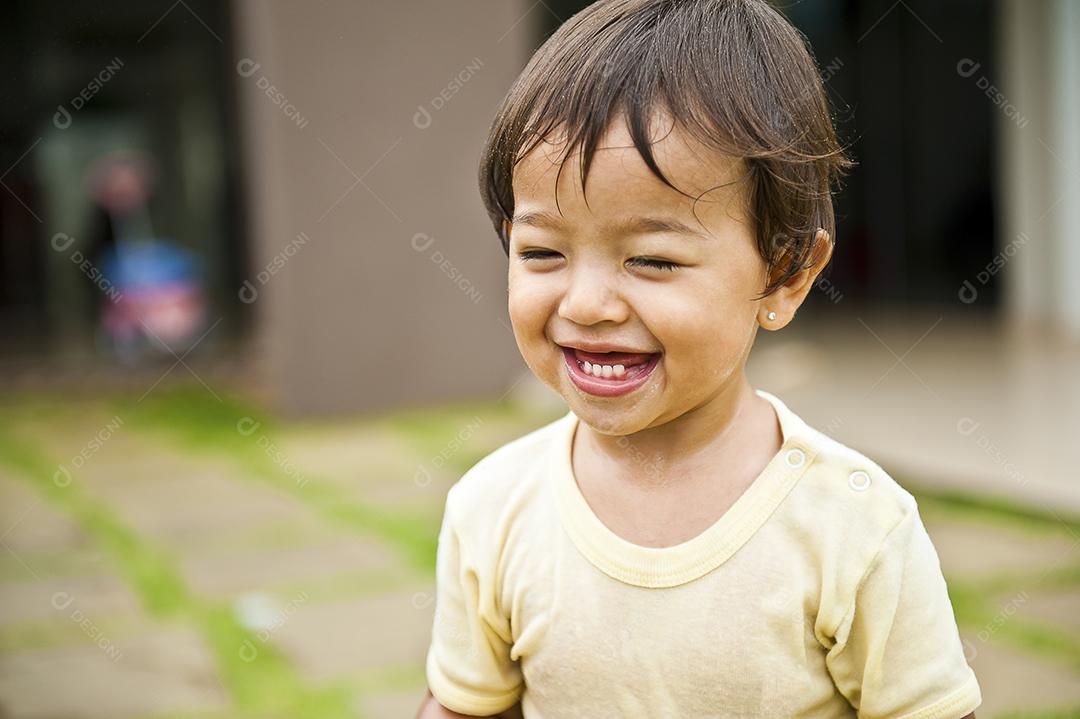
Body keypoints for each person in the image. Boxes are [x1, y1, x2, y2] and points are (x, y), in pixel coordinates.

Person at [418, 0, 981, 716]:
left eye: (651, 258)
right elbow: (465, 705)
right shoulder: (492, 510)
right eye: (541, 251)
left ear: (784, 274)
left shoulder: (855, 529)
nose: (587, 303)